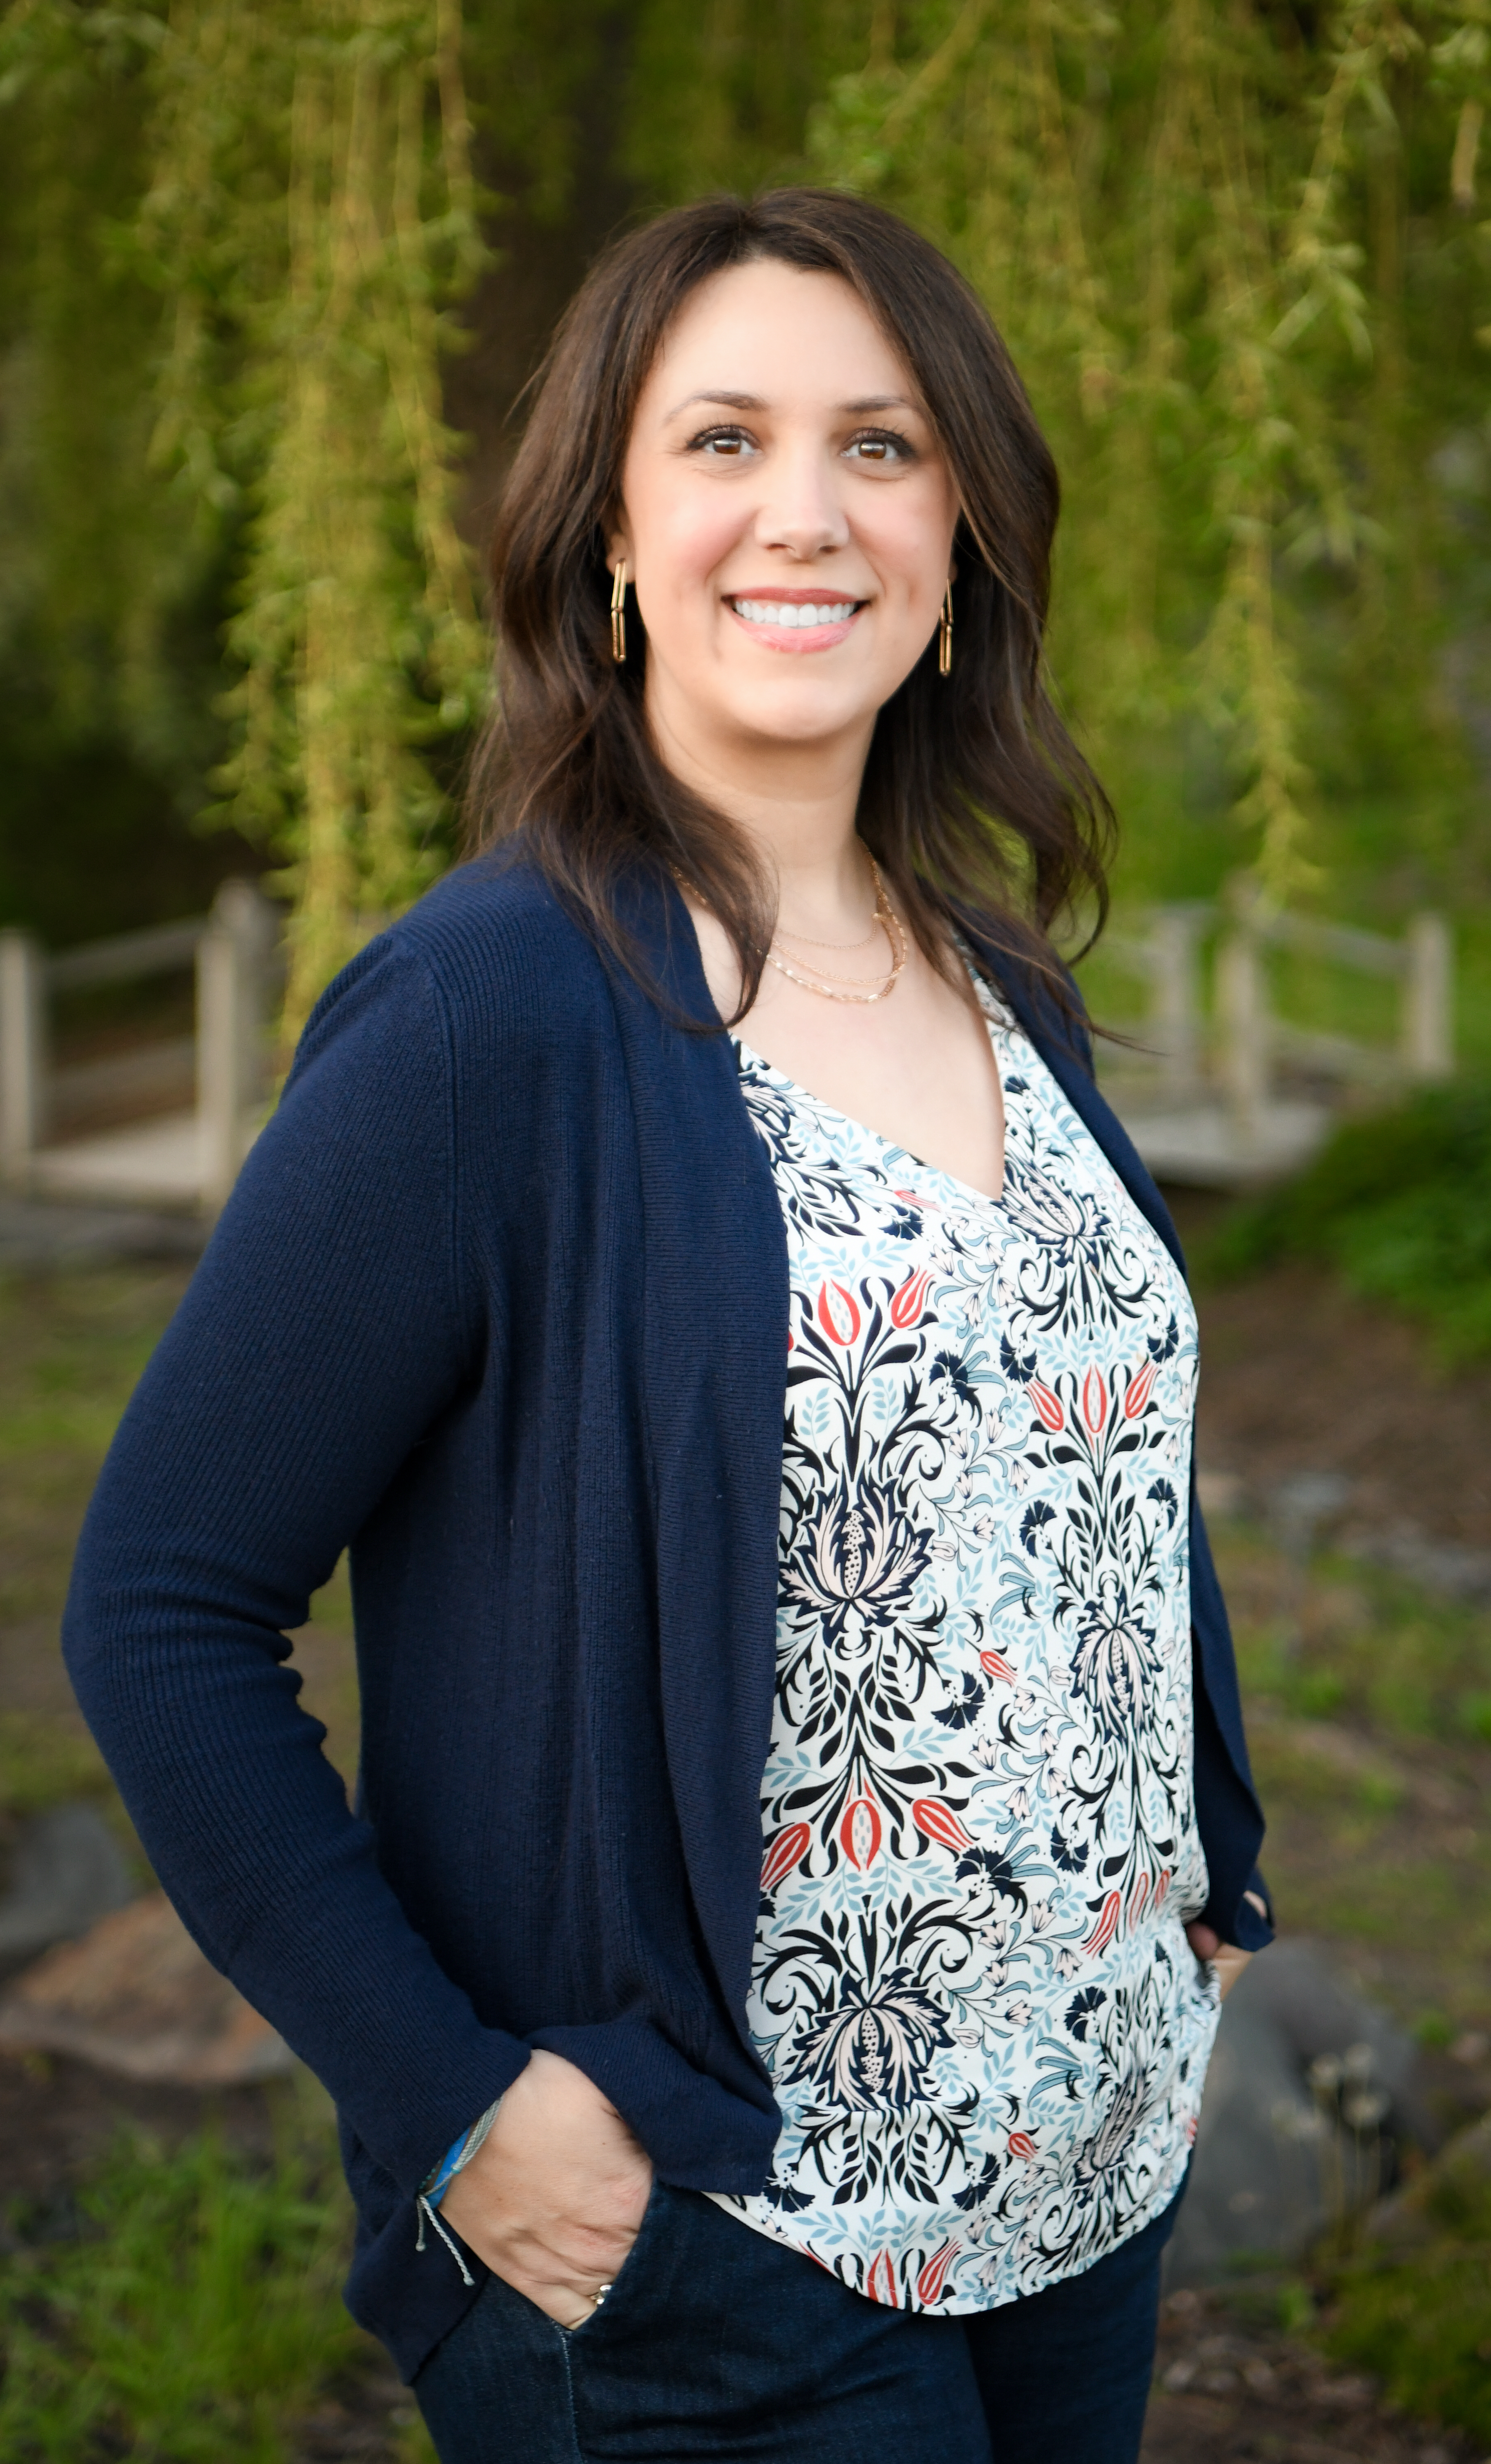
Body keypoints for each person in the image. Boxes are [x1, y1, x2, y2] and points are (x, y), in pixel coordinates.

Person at [64, 188, 1271, 2463]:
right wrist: (457, 2108)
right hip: (728, 2240)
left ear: (962, 545)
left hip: (1089, 2161)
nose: (801, 513)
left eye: (880, 448)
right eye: (719, 440)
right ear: (606, 539)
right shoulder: (489, 1012)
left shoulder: (1001, 983)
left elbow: (1095, 1437)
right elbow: (160, 1610)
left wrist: (1204, 1831)